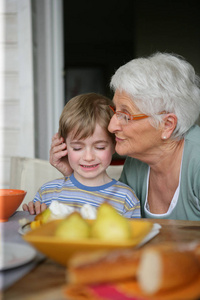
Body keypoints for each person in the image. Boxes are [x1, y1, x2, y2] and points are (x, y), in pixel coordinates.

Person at [49, 52, 200, 221]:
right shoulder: (137, 161)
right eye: (115, 111)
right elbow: (111, 214)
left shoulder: (197, 161)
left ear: (167, 125)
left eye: (126, 115)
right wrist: (76, 175)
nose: (112, 126)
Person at [23, 93, 140, 218]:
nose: (88, 157)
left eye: (100, 147)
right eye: (77, 148)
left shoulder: (126, 199)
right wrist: (32, 214)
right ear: (63, 145)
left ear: (114, 144)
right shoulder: (47, 193)